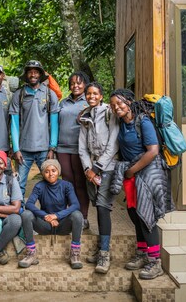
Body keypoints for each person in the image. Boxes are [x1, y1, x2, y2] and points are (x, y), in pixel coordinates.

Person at [109, 88, 173, 280]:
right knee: (135, 214)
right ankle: (143, 253)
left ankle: (155, 262)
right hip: (132, 174)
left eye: (119, 103)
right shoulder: (122, 122)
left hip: (148, 172)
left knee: (147, 216)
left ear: (129, 101)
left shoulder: (143, 121)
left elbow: (153, 151)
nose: (116, 107)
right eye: (113, 105)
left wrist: (132, 170)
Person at [78, 82, 119, 274]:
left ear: (101, 96)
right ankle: (101, 247)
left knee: (103, 207)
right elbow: (82, 147)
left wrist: (96, 168)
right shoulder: (86, 116)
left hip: (108, 166)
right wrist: (88, 169)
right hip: (91, 168)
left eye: (95, 94)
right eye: (88, 94)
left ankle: (104, 253)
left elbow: (113, 145)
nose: (91, 96)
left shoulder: (110, 113)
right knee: (97, 205)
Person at [18, 159, 84, 269]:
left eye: (53, 170)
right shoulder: (39, 186)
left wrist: (57, 216)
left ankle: (75, 253)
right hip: (44, 225)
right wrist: (45, 216)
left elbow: (75, 205)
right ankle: (31, 253)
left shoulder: (66, 185)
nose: (50, 174)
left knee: (77, 214)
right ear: (43, 173)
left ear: (58, 171)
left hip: (62, 224)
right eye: (47, 171)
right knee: (26, 214)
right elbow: (29, 204)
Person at [9, 60, 59, 197]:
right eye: (30, 72)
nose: (33, 74)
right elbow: (14, 123)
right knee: (19, 184)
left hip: (44, 149)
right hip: (24, 150)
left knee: (49, 183)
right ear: (26, 75)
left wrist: (52, 147)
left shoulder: (50, 94)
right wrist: (16, 149)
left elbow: (54, 123)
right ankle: (18, 214)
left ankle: (48, 214)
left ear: (40, 74)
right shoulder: (18, 95)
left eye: (36, 71)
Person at [57, 71, 90, 230]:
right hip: (62, 147)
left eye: (79, 83)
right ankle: (70, 215)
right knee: (67, 181)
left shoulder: (89, 101)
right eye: (72, 83)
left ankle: (83, 217)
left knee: (80, 182)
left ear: (84, 84)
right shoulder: (63, 102)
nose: (75, 86)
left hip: (80, 149)